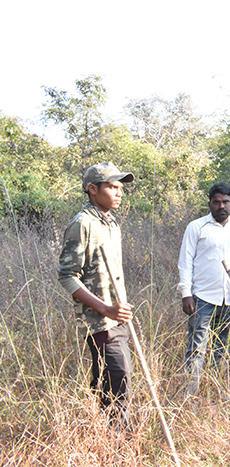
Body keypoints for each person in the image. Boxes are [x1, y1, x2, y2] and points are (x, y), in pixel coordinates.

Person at [58, 162, 135, 428]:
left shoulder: (110, 222)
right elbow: (67, 275)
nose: (119, 193)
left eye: (120, 187)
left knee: (112, 379)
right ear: (92, 189)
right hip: (99, 320)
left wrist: (117, 309)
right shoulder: (82, 224)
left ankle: (107, 435)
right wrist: (105, 309)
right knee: (118, 377)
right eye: (112, 187)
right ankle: (117, 439)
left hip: (118, 317)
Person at [177, 182, 230, 393]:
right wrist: (186, 294)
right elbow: (185, 262)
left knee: (223, 348)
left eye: (225, 202)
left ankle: (217, 392)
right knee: (197, 348)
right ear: (210, 203)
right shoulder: (196, 227)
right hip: (202, 298)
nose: (221, 206)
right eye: (216, 202)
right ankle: (191, 393)